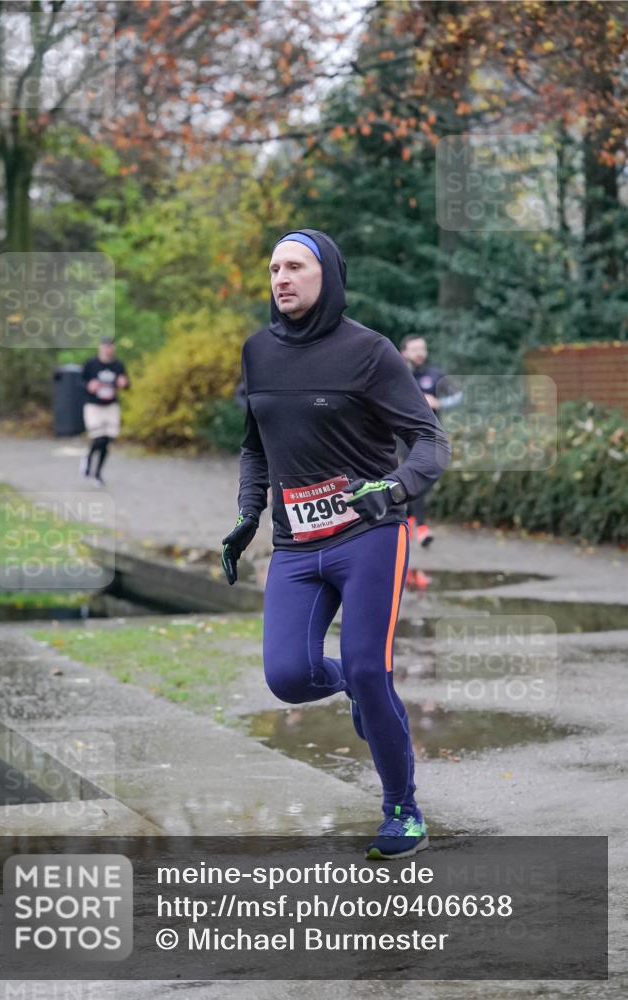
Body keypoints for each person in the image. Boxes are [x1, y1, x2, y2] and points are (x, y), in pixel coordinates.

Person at [221, 230, 450, 859]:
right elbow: (254, 445)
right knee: (289, 677)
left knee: (373, 671)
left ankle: (402, 809)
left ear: (328, 276)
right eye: (273, 268)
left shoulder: (370, 353)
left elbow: (431, 442)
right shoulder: (258, 352)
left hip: (368, 534)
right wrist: (248, 513)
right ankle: (354, 684)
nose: (281, 278)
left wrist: (396, 489)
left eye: (295, 266)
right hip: (296, 544)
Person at [399, 335, 462, 549]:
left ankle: (408, 520)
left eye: (422, 349)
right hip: (404, 437)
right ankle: (422, 528)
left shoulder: (435, 374)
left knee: (420, 481)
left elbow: (458, 396)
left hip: (432, 435)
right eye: (414, 349)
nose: (419, 353)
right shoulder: (396, 374)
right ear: (404, 352)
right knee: (415, 479)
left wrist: (439, 402)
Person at [80, 336, 129, 486]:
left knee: (107, 442)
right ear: (100, 347)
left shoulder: (118, 365)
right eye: (105, 346)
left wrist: (125, 384)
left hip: (111, 407)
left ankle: (97, 473)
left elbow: (126, 384)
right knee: (99, 438)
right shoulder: (91, 364)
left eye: (111, 346)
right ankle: (88, 459)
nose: (108, 349)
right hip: (94, 406)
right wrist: (89, 385)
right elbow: (79, 383)